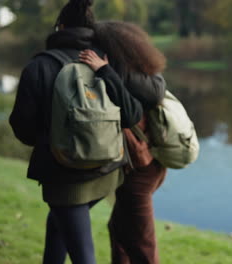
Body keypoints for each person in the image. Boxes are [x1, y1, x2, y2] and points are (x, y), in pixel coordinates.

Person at [9, 1, 143, 264]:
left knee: (84, 256)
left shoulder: (40, 66)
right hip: (108, 170)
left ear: (60, 27)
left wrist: (51, 142)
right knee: (58, 225)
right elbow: (132, 114)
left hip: (64, 179)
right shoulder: (104, 58)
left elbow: (22, 126)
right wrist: (105, 72)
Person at [80, 21, 168, 264]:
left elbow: (135, 105)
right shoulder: (143, 72)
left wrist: (106, 70)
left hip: (140, 170)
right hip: (148, 166)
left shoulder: (125, 76)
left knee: (142, 247)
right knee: (119, 230)